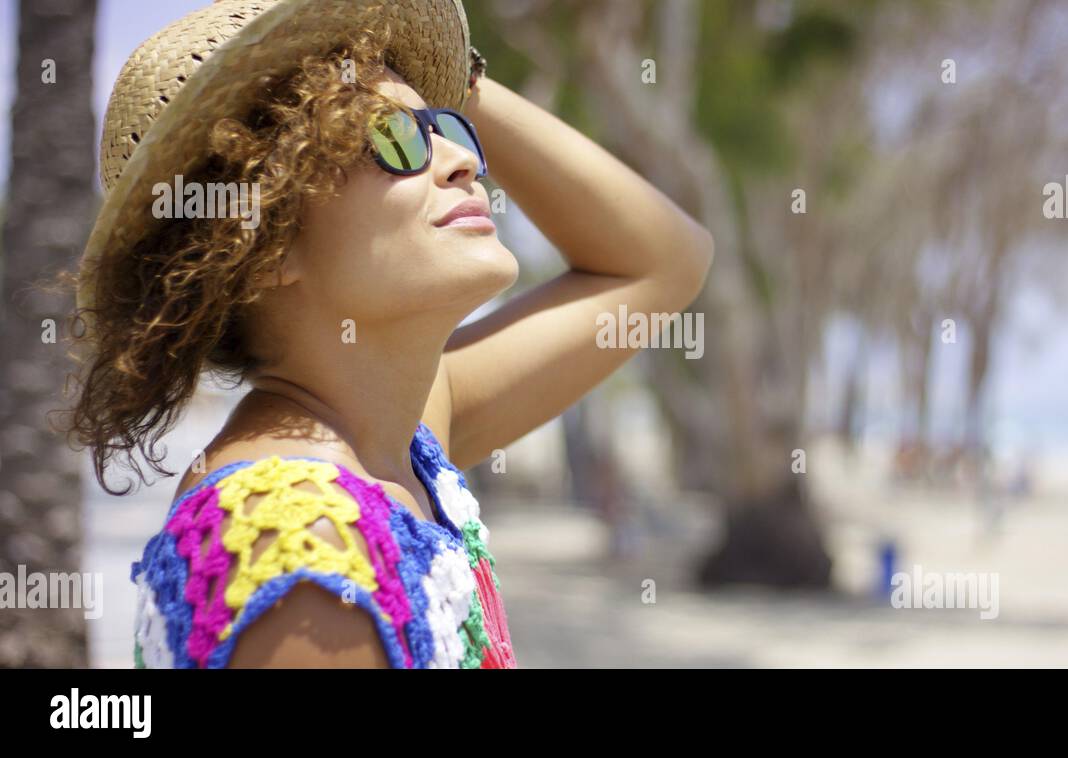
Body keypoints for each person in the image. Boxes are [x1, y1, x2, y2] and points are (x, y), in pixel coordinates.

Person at [58, 0, 712, 668]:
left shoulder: (394, 439)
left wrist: (451, 78)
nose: (464, 161)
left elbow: (663, 263)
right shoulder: (302, 551)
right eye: (397, 138)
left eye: (452, 126)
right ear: (259, 239)